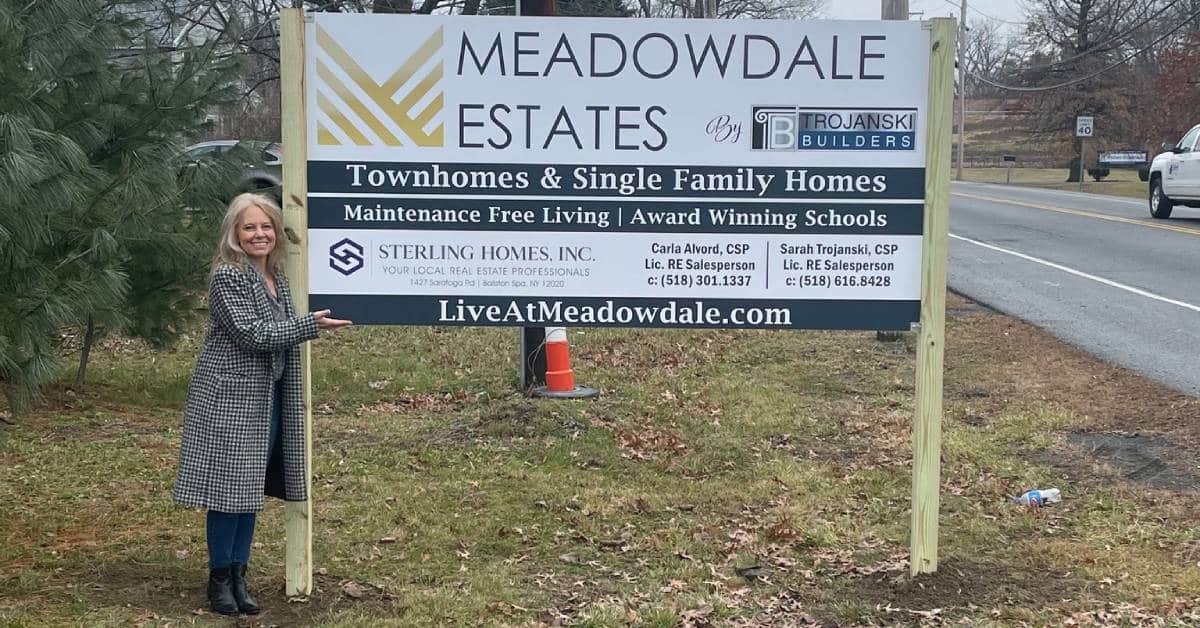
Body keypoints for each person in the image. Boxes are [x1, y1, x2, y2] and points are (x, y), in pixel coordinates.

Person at [173, 193, 350, 615]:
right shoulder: (228, 277)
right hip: (229, 400)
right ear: (234, 234)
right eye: (249, 227)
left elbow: (276, 331)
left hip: (266, 399)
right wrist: (311, 325)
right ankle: (219, 579)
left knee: (248, 489)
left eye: (266, 226)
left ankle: (239, 575)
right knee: (228, 492)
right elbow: (253, 334)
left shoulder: (278, 278)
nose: (259, 234)